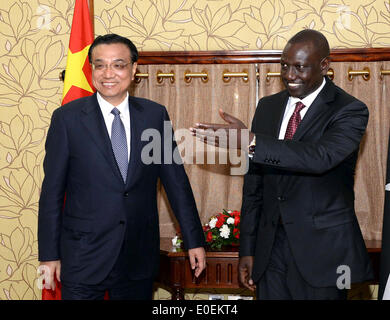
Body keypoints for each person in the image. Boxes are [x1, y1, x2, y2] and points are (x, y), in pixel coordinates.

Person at [190, 29, 373, 300]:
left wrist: (251, 142)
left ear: (324, 66)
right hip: (270, 252)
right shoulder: (268, 107)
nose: (289, 75)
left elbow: (319, 157)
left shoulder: (349, 110)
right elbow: (255, 185)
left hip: (323, 255)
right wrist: (248, 249)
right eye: (284, 66)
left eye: (299, 67)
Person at [38, 33, 206, 300]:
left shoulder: (154, 115)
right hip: (83, 258)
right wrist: (49, 255)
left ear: (133, 69)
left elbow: (176, 183)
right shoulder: (67, 120)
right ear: (91, 69)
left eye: (118, 64)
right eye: (100, 64)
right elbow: (51, 194)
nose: (109, 73)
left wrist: (194, 240)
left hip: (136, 258)